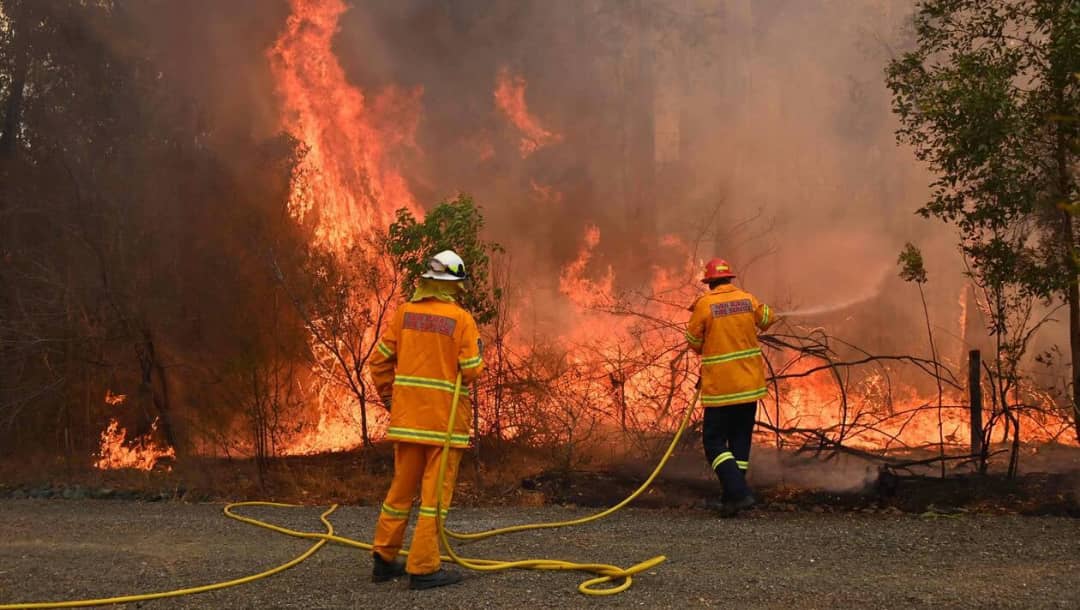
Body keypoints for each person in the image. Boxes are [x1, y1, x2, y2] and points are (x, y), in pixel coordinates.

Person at [368, 249, 484, 589]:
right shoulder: (461, 320)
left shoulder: (404, 314)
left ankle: (384, 558)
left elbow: (379, 362)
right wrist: (478, 351)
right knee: (433, 500)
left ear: (427, 281)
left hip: (408, 422)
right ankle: (422, 567)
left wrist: (392, 399)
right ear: (455, 285)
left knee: (400, 492)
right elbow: (471, 370)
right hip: (444, 427)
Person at [685, 258, 777, 517]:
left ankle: (739, 492)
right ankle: (731, 500)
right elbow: (768, 318)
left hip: (721, 389)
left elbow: (692, 340)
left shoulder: (705, 304)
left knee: (713, 442)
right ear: (730, 279)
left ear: (710, 282)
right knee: (739, 441)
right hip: (749, 387)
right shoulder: (747, 299)